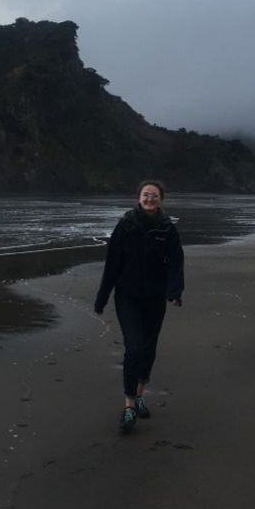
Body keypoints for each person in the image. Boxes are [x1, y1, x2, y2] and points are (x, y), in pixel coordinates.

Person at [94, 180, 184, 433]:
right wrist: (102, 298)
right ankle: (130, 405)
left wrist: (174, 291)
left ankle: (140, 394)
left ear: (161, 200)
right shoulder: (125, 225)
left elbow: (176, 260)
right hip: (128, 297)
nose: (149, 199)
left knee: (148, 349)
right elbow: (112, 263)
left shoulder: (167, 228)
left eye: (154, 196)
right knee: (133, 348)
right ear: (138, 198)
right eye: (146, 195)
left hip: (154, 297)